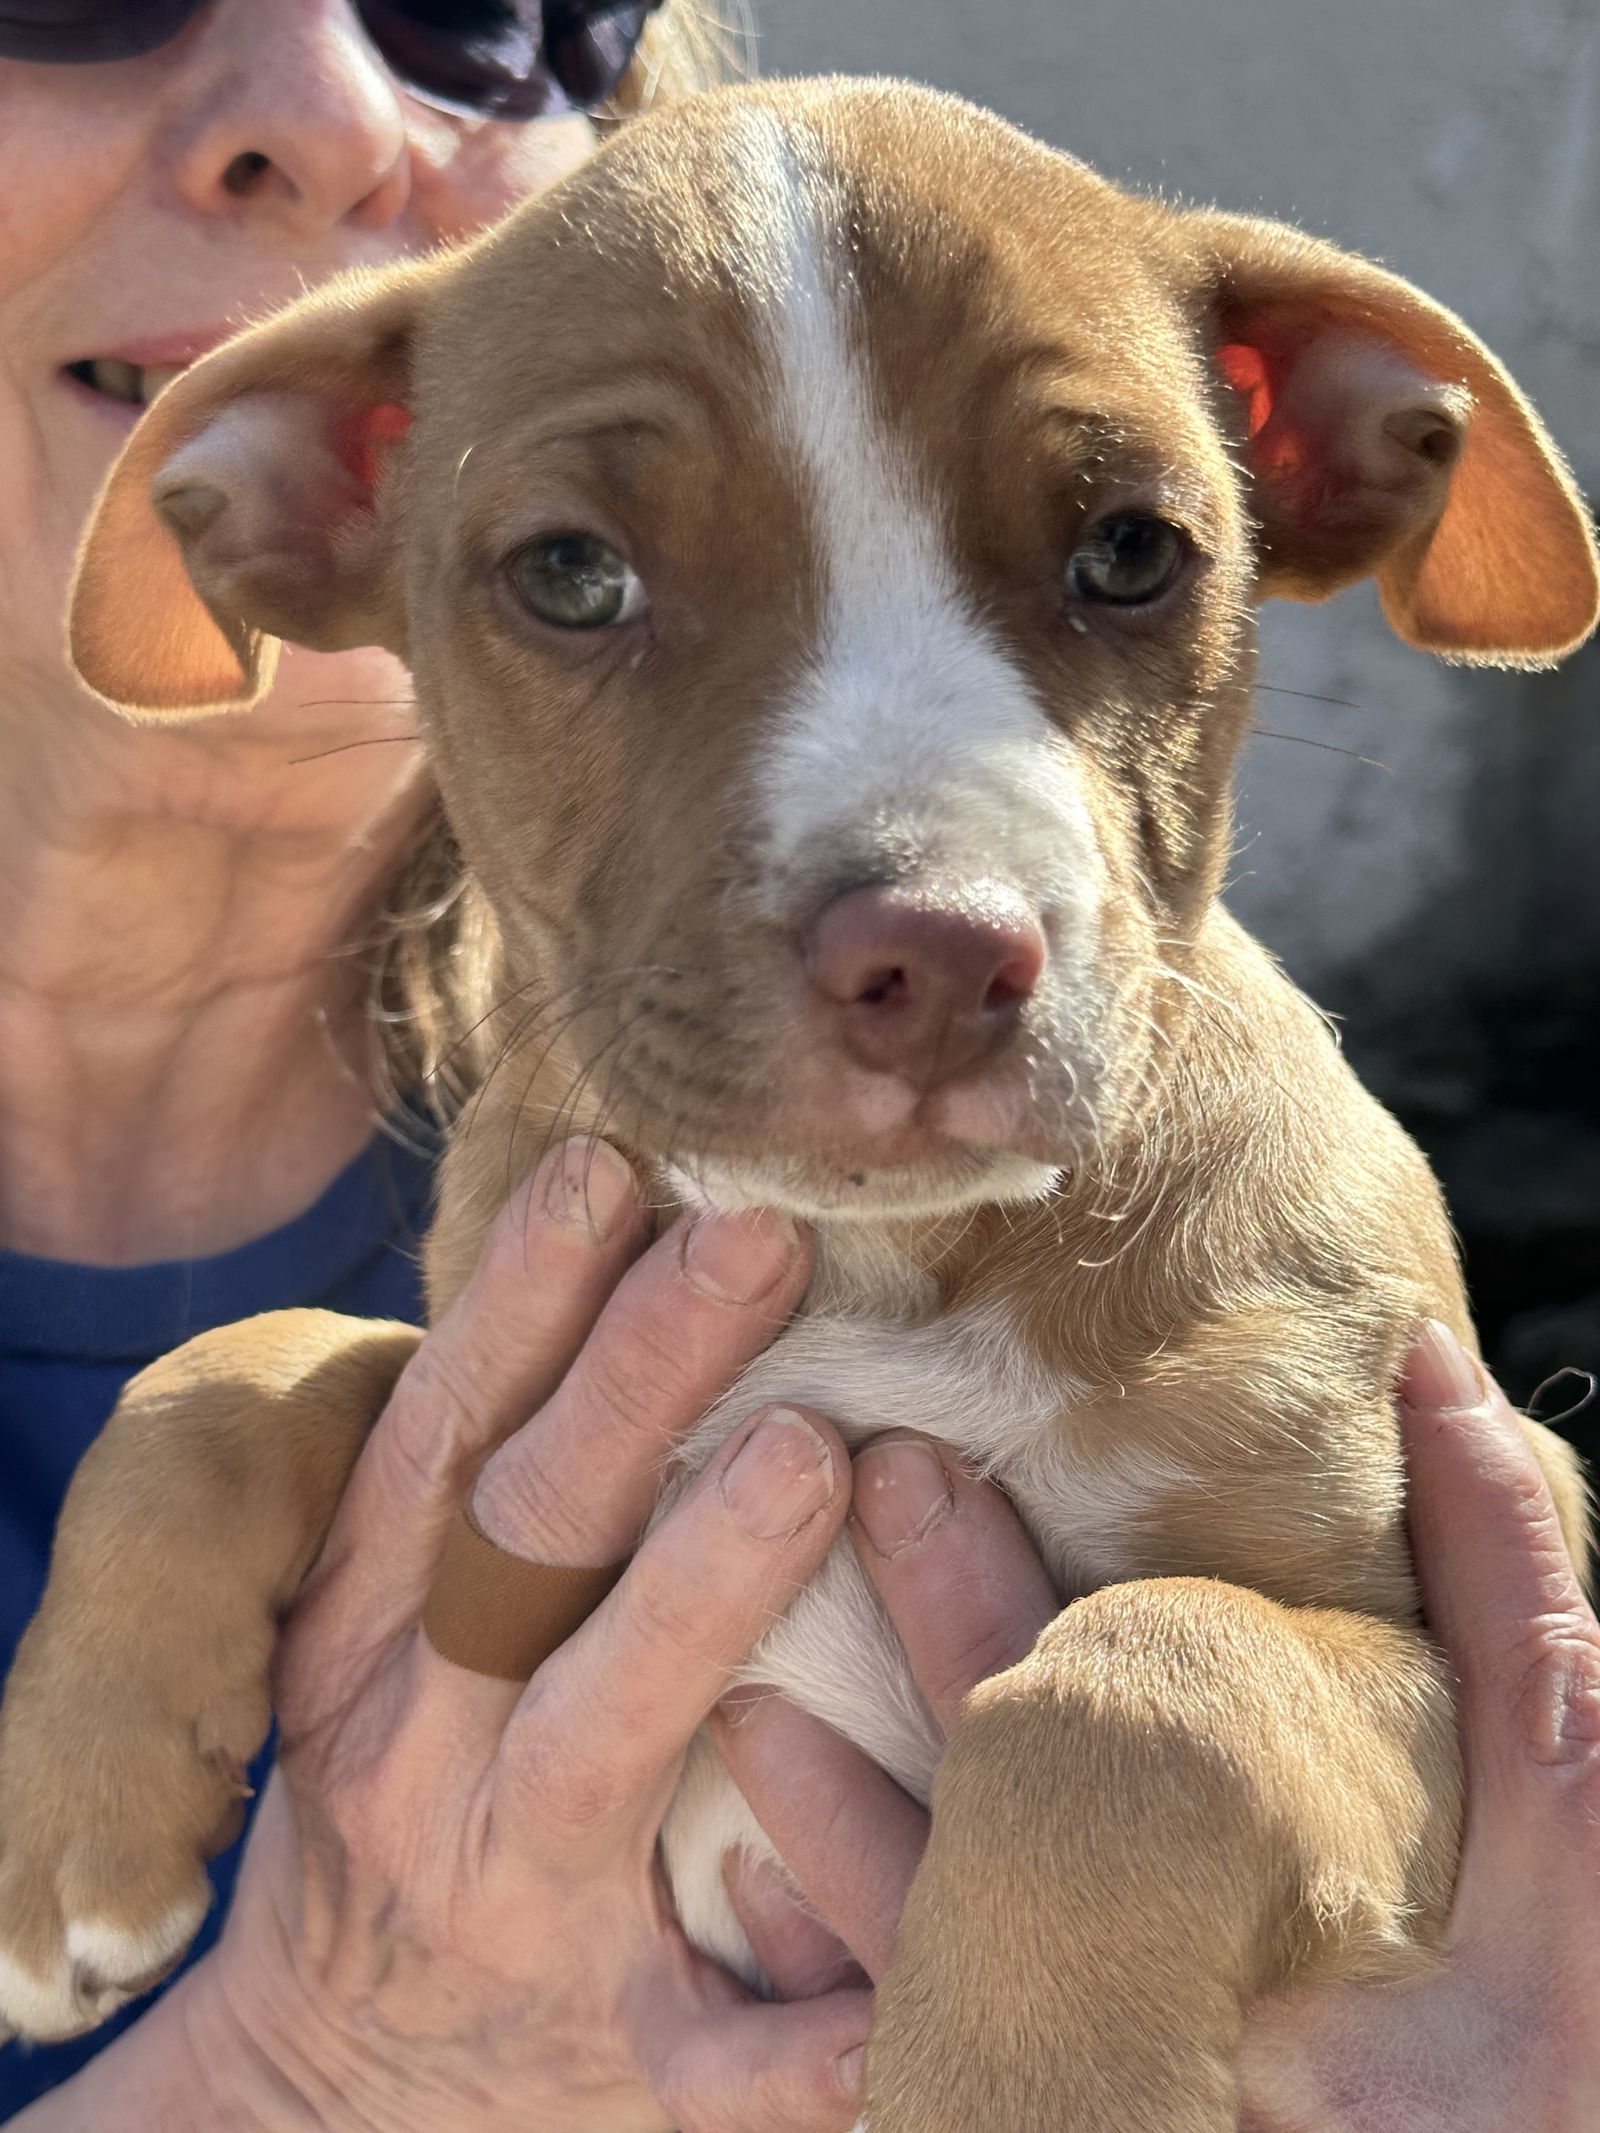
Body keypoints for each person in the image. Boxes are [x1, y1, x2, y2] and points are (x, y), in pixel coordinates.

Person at [0, 8, 1595, 2127]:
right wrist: (293, 2031)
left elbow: (1446, 1719)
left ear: (1298, 452)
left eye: (1117, 553)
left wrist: (1148, 1776)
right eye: (581, 573)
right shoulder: (537, 1170)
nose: (918, 909)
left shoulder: (1270, 1250)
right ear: (309, 507)